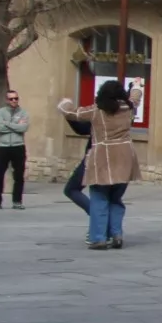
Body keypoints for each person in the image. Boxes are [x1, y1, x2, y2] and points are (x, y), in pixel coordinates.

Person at [56, 81, 142, 248]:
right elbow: (136, 97)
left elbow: (72, 113)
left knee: (99, 198)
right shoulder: (128, 107)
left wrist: (65, 102)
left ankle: (98, 237)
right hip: (125, 157)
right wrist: (137, 86)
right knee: (116, 199)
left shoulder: (96, 111)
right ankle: (116, 235)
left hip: (103, 157)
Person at [0, 90, 28, 209]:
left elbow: (23, 128)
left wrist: (7, 123)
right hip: (3, 147)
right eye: (11, 99)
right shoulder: (1, 112)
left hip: (18, 146)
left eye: (16, 98)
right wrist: (16, 125)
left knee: (19, 176)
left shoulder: (23, 112)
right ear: (7, 100)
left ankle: (17, 201)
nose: (14, 101)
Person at [63, 119, 93, 216]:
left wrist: (68, 114)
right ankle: (104, 221)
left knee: (71, 189)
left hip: (95, 157)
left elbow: (82, 129)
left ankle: (97, 217)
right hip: (118, 159)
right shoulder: (126, 115)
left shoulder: (100, 115)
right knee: (110, 197)